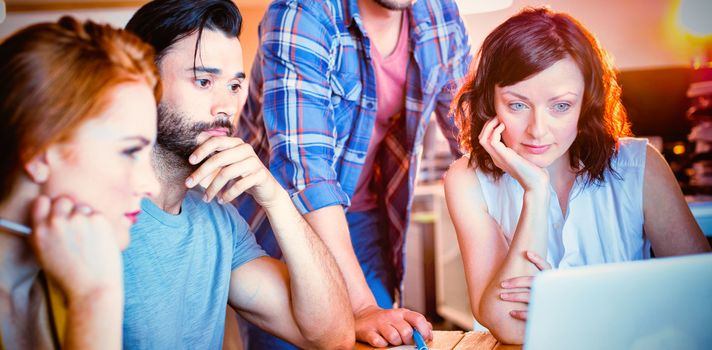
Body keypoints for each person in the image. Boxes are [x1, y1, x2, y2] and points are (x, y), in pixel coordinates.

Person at [444, 7, 712, 345]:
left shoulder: (640, 166)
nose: (537, 131)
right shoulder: (466, 180)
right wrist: (535, 193)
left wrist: (567, 307)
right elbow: (508, 327)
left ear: (586, 104)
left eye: (560, 106)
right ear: (490, 102)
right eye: (517, 105)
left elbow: (704, 300)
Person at [237, 0, 473, 347]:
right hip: (283, 228)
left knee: (382, 339)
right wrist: (360, 306)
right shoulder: (301, 13)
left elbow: (470, 135)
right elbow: (307, 174)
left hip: (366, 220)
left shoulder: (440, 12)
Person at [121, 1, 353, 348]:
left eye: (233, 86)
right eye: (203, 81)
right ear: (142, 82)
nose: (225, 108)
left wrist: (276, 198)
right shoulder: (93, 214)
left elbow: (333, 336)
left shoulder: (218, 219)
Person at [0, 17, 160, 349]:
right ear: (39, 155)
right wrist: (95, 301)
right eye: (130, 151)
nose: (151, 186)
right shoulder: (90, 286)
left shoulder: (73, 272)